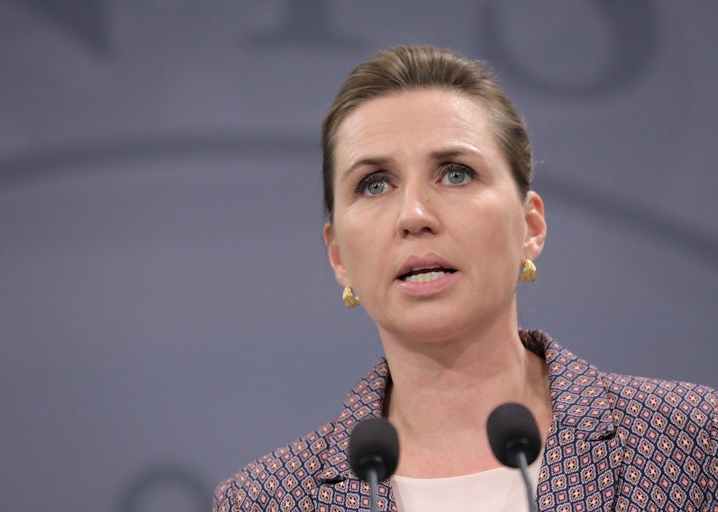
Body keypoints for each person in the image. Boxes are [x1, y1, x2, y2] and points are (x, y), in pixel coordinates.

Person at [213, 46, 717, 511]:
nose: (414, 215)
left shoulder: (692, 441)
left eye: (456, 173)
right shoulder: (264, 501)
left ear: (530, 227)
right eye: (374, 184)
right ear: (338, 255)